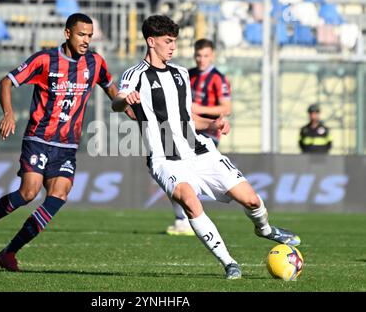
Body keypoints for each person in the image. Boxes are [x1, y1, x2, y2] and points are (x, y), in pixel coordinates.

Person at [112, 15, 301, 279]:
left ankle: (265, 229)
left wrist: (212, 124)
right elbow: (118, 102)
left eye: (175, 42)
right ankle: (229, 263)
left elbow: (186, 117)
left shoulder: (180, 74)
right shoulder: (135, 75)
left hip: (201, 151)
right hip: (165, 158)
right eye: (168, 42)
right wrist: (125, 101)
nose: (173, 47)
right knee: (189, 201)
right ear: (151, 41)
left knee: (251, 200)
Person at [0, 13, 133, 272]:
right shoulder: (45, 59)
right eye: (82, 34)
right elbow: (6, 82)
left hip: (68, 144)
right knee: (28, 192)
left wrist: (129, 108)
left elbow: (114, 94)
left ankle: (8, 253)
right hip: (39, 137)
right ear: (67, 33)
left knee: (59, 194)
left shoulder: (96, 63)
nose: (86, 40)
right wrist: (8, 113)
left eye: (90, 36)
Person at [167, 38, 233, 236]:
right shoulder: (187, 75)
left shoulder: (217, 78)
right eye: (198, 55)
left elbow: (226, 108)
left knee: (188, 174)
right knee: (174, 170)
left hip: (209, 132)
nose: (201, 59)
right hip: (186, 128)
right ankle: (182, 219)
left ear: (212, 56)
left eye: (205, 56)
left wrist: (198, 109)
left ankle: (190, 218)